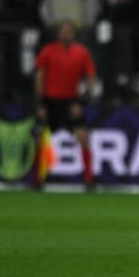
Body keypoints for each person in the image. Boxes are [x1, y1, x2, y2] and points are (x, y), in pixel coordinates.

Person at [34, 20, 97, 189]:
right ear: (58, 33)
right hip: (50, 101)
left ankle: (89, 180)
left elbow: (91, 77)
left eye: (70, 31)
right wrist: (41, 104)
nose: (67, 33)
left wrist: (83, 101)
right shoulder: (48, 51)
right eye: (64, 30)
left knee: (83, 137)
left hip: (71, 101)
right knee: (40, 138)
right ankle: (39, 179)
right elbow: (40, 76)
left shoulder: (81, 53)